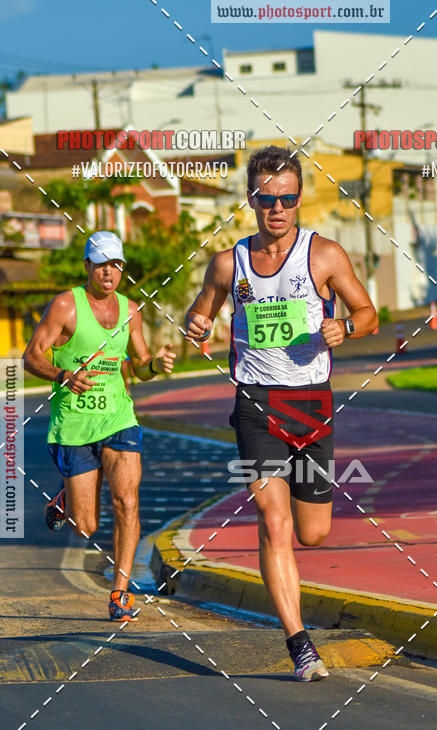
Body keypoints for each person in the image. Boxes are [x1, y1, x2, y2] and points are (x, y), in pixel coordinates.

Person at [184, 145, 377, 681]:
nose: (278, 209)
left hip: (311, 403)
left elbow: (368, 313)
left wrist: (346, 327)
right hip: (255, 403)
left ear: (299, 199)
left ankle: (296, 618)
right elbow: (200, 312)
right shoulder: (229, 263)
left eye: (287, 199)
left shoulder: (325, 255)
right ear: (251, 199)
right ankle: (300, 643)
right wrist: (195, 323)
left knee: (313, 534)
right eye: (267, 199)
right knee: (274, 522)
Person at [23, 230, 176, 622]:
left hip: (118, 418)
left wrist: (156, 364)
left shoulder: (130, 312)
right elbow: (31, 356)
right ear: (88, 266)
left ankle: (120, 594)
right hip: (73, 423)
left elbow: (139, 367)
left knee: (127, 501)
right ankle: (66, 500)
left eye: (116, 264)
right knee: (85, 527)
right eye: (102, 264)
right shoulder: (65, 306)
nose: (109, 272)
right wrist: (63, 375)